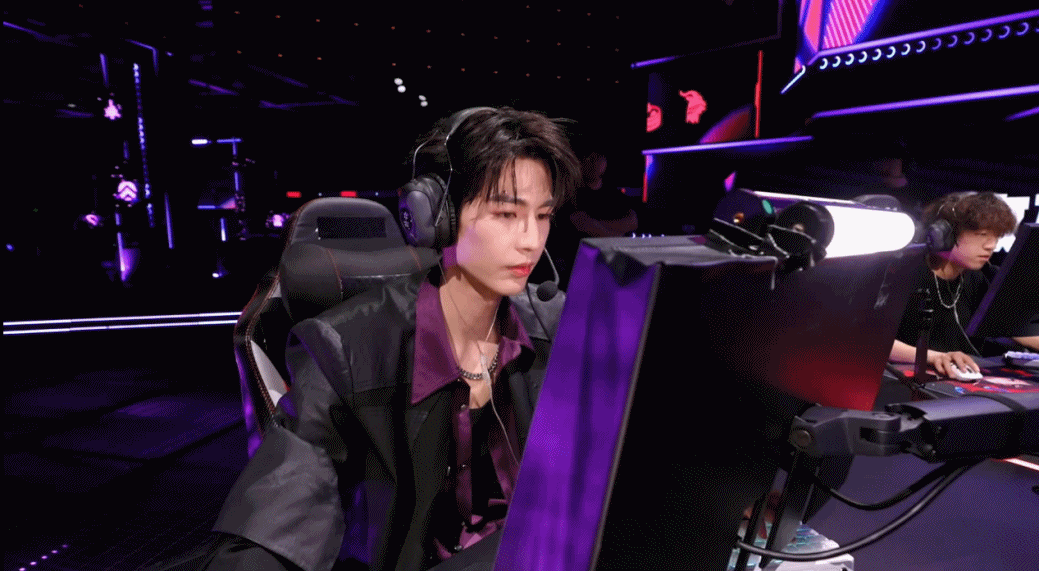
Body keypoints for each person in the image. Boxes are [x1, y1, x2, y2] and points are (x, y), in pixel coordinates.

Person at [201, 107, 580, 571]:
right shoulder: (347, 349)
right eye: (506, 213)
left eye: (543, 216)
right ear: (438, 214)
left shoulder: (555, 325)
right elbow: (275, 523)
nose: (531, 240)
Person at [889, 191, 1021, 377]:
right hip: (903, 379)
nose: (991, 246)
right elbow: (869, 340)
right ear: (946, 234)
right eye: (982, 234)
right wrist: (933, 356)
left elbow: (1014, 328)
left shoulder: (978, 278)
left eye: (996, 237)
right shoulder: (903, 274)